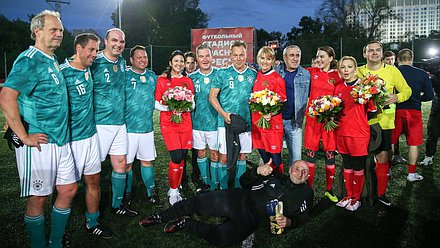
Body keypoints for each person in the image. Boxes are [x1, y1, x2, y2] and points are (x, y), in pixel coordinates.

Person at [0, 10, 78, 247]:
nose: (59, 34)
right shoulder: (30, 59)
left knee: (69, 190)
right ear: (37, 31)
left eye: (61, 30)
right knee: (39, 197)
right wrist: (24, 135)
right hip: (40, 142)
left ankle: (55, 242)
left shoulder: (50, 59)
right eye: (53, 30)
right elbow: (6, 96)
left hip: (60, 140)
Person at [138, 159, 313, 247]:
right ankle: (159, 216)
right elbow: (245, 181)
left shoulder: (306, 194)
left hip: (252, 220)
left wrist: (289, 222)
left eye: (304, 171)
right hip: (239, 199)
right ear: (290, 169)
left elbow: (304, 217)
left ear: (308, 176)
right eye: (297, 169)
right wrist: (257, 171)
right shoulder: (275, 176)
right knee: (196, 203)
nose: (300, 173)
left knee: (222, 239)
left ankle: (186, 223)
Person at [60, 33, 113, 238]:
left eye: (96, 50)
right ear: (78, 48)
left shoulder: (91, 69)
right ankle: (60, 230)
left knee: (94, 180)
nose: (95, 54)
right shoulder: (62, 73)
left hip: (91, 136)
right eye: (91, 50)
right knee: (66, 189)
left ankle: (92, 222)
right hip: (70, 140)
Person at [357, 41, 412, 206]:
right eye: (370, 51)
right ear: (364, 54)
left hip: (385, 122)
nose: (374, 53)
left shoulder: (392, 71)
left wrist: (396, 97)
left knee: (383, 157)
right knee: (362, 158)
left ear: (382, 53)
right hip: (363, 122)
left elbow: (407, 90)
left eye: (377, 50)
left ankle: (381, 194)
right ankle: (361, 192)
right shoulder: (359, 71)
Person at [91, 28, 138, 216]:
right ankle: (89, 207)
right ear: (106, 41)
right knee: (93, 169)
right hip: (100, 123)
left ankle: (117, 206)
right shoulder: (94, 61)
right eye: (114, 40)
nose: (118, 44)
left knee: (120, 163)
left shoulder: (122, 61)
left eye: (122, 42)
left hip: (120, 123)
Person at [209, 40, 257, 189]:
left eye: (241, 55)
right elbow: (212, 97)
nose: (238, 58)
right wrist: (224, 114)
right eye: (235, 55)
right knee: (224, 157)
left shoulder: (253, 74)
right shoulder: (222, 73)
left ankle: (239, 189)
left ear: (246, 55)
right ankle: (223, 190)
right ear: (230, 55)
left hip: (245, 123)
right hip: (226, 123)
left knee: (242, 156)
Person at [334, 56, 376, 211]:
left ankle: (356, 198)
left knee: (358, 166)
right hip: (342, 133)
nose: (346, 70)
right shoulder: (338, 88)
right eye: (343, 67)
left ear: (355, 69)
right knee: (347, 165)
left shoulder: (363, 87)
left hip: (358, 134)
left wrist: (358, 121)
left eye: (349, 67)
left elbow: (372, 111)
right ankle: (348, 196)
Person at [124, 45, 163, 207]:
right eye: (139, 57)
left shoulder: (153, 76)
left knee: (147, 161)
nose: (143, 60)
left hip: (146, 128)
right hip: (127, 129)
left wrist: (171, 106)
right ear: (131, 60)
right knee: (126, 164)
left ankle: (151, 193)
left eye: (145, 57)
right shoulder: (124, 75)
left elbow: (156, 101)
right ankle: (126, 193)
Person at [155, 50, 195, 205]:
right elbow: (157, 103)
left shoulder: (188, 81)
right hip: (169, 124)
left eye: (182, 61)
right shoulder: (162, 80)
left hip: (185, 123)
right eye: (176, 61)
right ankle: (172, 192)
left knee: (183, 156)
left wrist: (182, 109)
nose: (179, 64)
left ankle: (176, 188)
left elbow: (192, 104)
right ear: (170, 63)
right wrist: (171, 109)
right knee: (176, 156)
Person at [305, 46, 342, 203]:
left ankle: (329, 189)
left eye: (322, 56)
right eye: (317, 56)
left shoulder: (337, 75)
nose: (319, 59)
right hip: (313, 120)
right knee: (311, 155)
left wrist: (333, 114)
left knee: (330, 155)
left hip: (329, 122)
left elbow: (342, 97)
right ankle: (308, 191)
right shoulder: (310, 72)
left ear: (331, 58)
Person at [392, 49, 434, 181]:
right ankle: (411, 174)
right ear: (412, 59)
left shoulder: (393, 72)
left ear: (398, 59)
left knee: (391, 141)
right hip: (414, 111)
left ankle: (386, 170)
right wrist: (417, 99)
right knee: (413, 144)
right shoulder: (421, 74)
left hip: (395, 111)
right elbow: (429, 95)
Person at [189, 44, 220, 191]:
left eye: (207, 55)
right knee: (201, 153)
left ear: (212, 57)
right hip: (197, 124)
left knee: (214, 154)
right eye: (201, 56)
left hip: (214, 123)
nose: (205, 59)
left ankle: (214, 184)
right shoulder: (191, 78)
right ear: (197, 59)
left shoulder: (219, 75)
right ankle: (206, 183)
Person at [274, 45, 311, 166]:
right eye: (291, 55)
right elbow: (259, 67)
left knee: (296, 159)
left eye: (297, 55)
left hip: (294, 122)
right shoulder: (275, 71)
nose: (295, 58)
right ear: (284, 57)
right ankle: (270, 182)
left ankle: (294, 183)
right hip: (276, 121)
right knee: (272, 156)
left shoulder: (306, 74)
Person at [252, 46, 287, 173]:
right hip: (257, 123)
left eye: (268, 59)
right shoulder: (257, 76)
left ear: (273, 61)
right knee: (265, 157)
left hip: (272, 125)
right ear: (258, 59)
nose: (264, 61)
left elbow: (284, 104)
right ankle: (269, 184)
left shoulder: (277, 79)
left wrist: (270, 113)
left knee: (276, 159)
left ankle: (280, 182)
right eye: (262, 58)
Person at [384, 50, 408, 165]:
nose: (389, 61)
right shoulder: (383, 71)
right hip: (387, 109)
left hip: (397, 107)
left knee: (396, 134)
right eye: (387, 59)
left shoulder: (396, 72)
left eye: (391, 59)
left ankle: (396, 155)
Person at [420, 70, 440, 166]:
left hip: (437, 108)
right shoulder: (436, 76)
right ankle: (429, 156)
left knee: (432, 133)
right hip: (437, 108)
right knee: (432, 133)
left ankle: (429, 156)